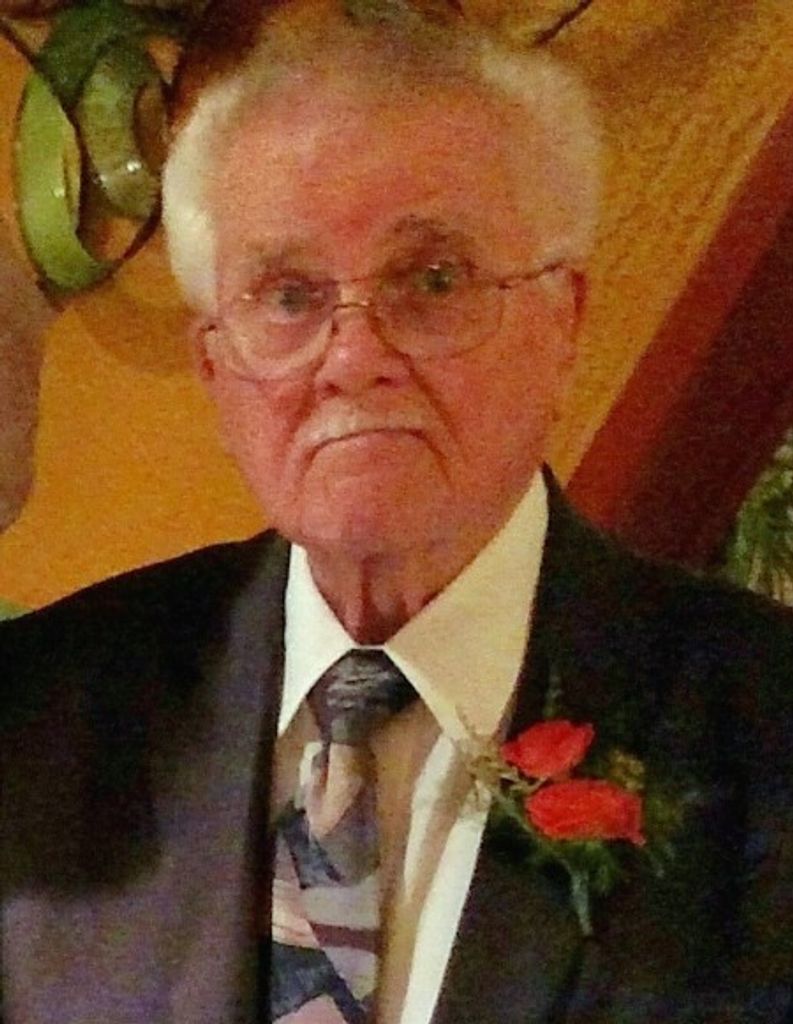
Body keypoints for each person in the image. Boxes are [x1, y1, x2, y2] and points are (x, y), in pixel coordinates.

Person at [2, 3, 792, 1022]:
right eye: (288, 296)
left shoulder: (762, 725)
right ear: (215, 366)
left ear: (563, 321)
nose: (353, 355)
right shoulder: (41, 719)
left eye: (433, 279)